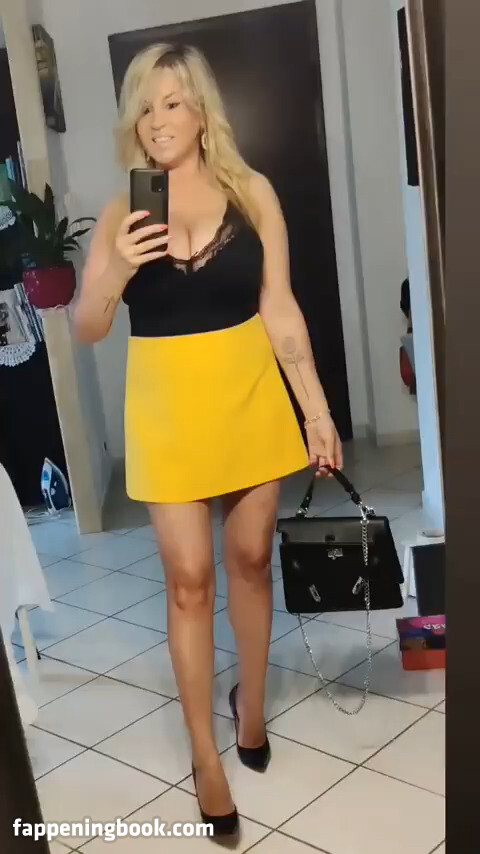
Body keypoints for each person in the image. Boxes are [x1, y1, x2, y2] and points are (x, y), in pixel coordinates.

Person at [73, 42, 343, 837]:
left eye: (173, 102)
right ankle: (205, 756)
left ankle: (250, 709)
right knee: (189, 581)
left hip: (250, 398)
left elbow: (279, 308)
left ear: (201, 110)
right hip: (166, 412)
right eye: (144, 106)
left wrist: (316, 411)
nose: (158, 120)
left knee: (251, 561)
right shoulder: (125, 211)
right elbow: (88, 328)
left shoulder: (251, 191)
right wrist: (115, 271)